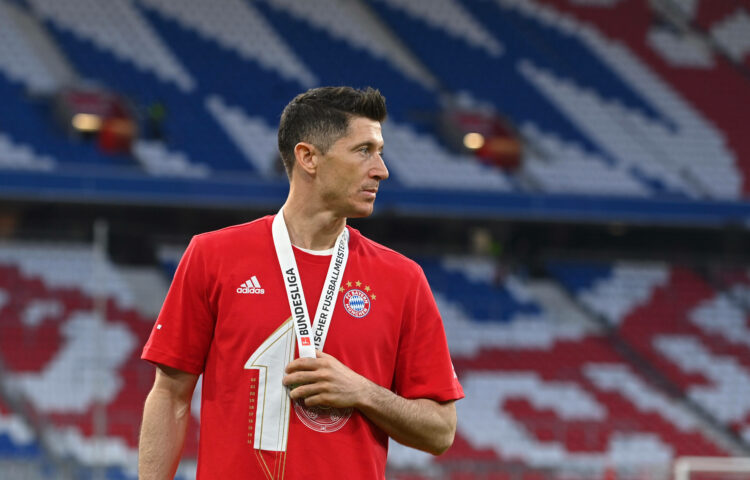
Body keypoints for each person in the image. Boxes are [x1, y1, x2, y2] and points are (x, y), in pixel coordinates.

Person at [138, 86, 464, 479]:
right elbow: (169, 396)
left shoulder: (403, 279)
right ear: (308, 157)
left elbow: (440, 431)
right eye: (364, 151)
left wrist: (364, 392)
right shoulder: (212, 256)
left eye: (379, 152)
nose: (381, 169)